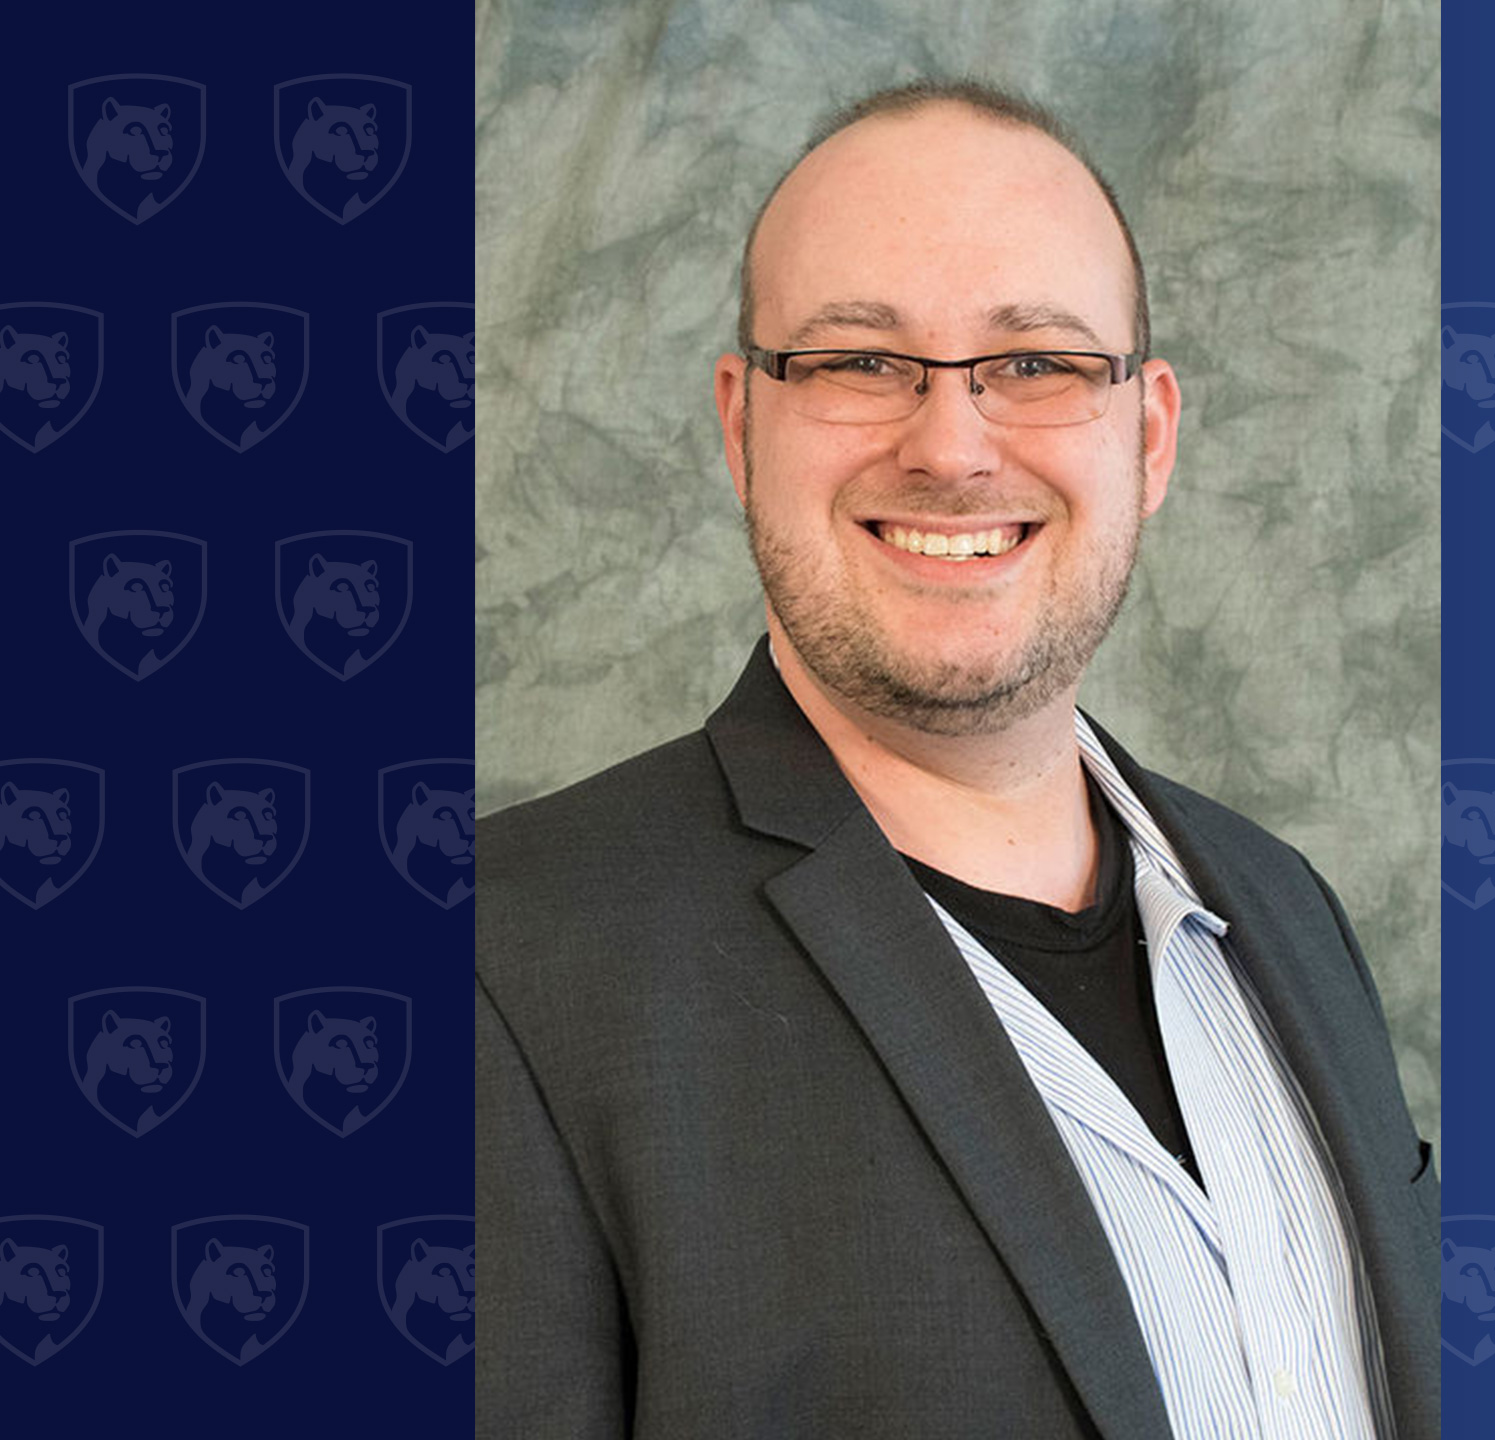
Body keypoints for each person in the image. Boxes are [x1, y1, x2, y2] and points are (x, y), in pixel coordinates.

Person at [478, 79, 1438, 1440]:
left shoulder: (1286, 909)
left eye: (1035, 361)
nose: (949, 445)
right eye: (859, 361)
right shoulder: (510, 965)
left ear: (1149, 435)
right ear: (741, 426)